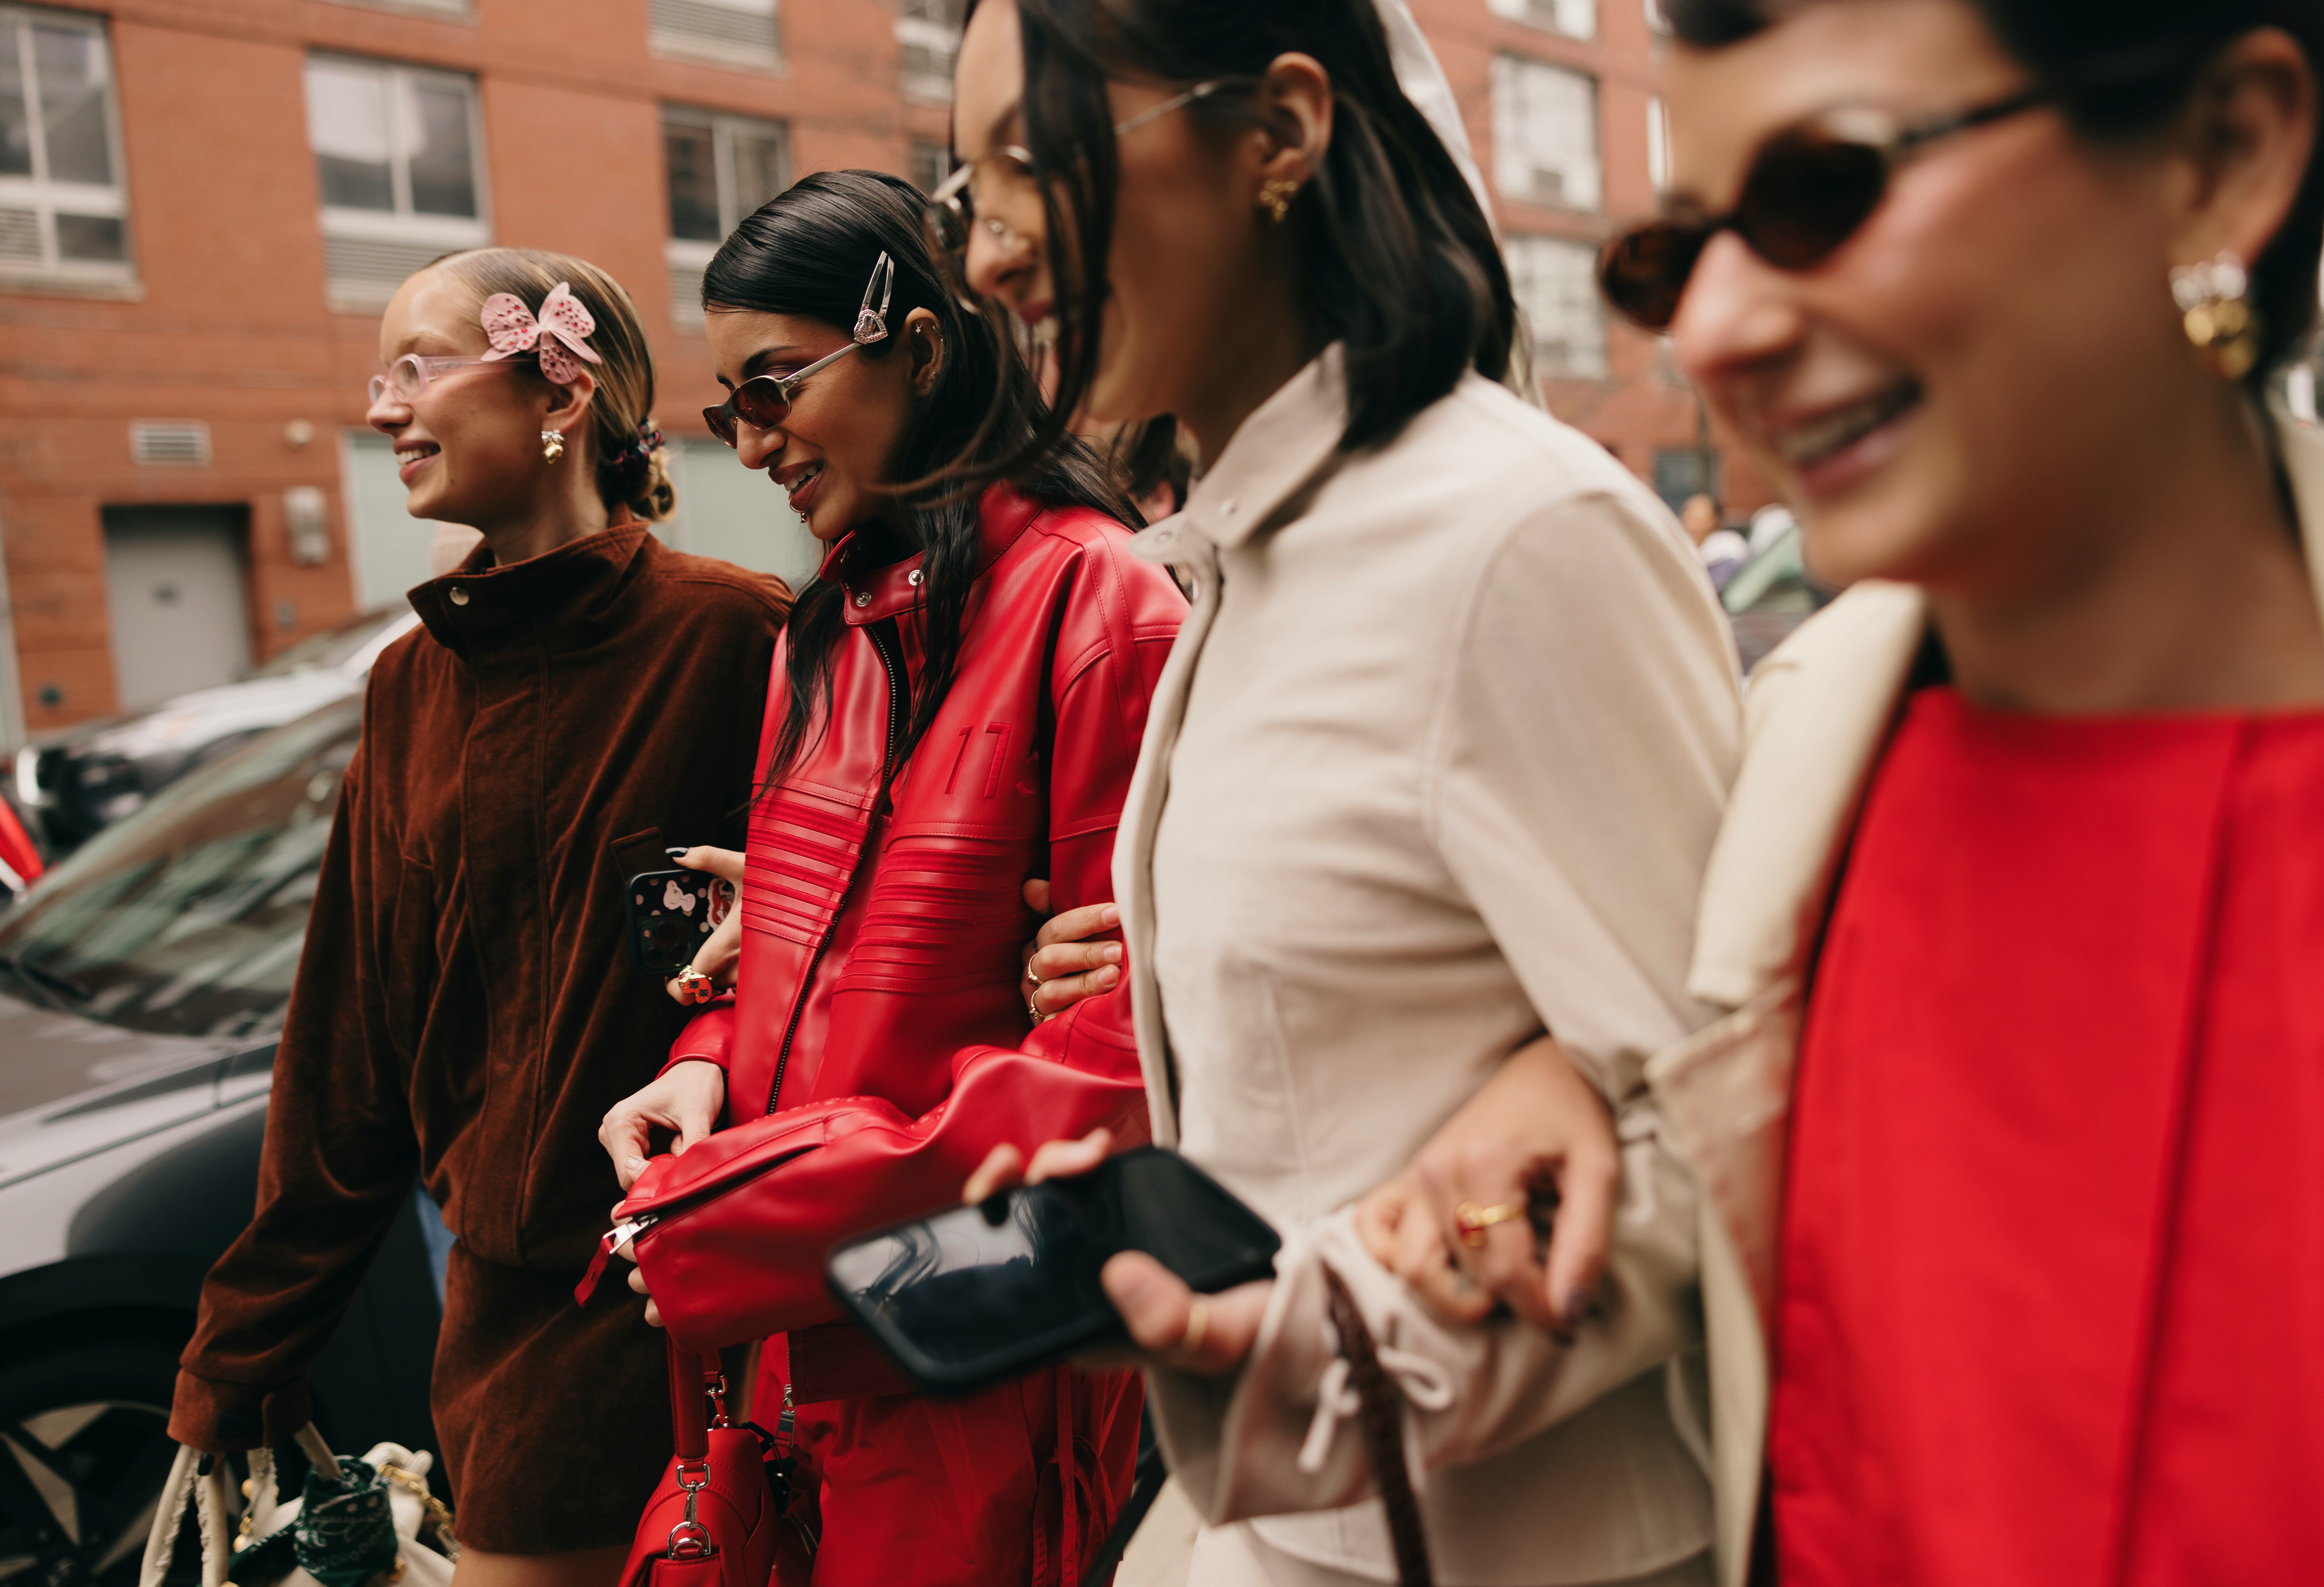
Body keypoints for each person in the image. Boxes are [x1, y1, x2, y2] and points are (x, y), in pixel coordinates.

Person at [1366, 1, 2324, 1582]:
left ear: (2218, 156)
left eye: (1826, 191)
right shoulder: (1805, 767)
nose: (1718, 329)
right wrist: (1573, 1086)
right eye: (1679, 257)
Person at [950, 2, 1744, 1583]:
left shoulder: (1514, 535)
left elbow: (1729, 1118)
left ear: (1280, 135)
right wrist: (1167, 1220)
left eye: (1032, 167)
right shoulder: (1238, 556)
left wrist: (1315, 1347)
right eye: (964, 195)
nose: (990, 254)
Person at [592, 170, 1187, 1587]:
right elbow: (782, 958)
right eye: (726, 404)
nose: (748, 446)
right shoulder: (822, 636)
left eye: (773, 387)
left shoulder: (1104, 609)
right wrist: (706, 1068)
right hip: (798, 1353)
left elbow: (1120, 1084)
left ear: (918, 347)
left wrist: (748, 1217)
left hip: (979, 1359)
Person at [168, 251, 790, 1587]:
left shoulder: (740, 641)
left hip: (735, 1297)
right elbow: (349, 1049)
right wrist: (244, 1348)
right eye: (377, 378)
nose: (384, 409)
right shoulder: (408, 691)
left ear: (556, 389)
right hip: (514, 1333)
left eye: (416, 367)